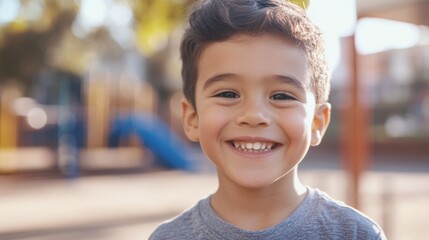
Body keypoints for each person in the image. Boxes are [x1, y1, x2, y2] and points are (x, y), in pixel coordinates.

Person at [150, 0, 387, 239]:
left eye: (281, 96)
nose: (254, 116)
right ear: (192, 119)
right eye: (228, 94)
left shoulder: (356, 234)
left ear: (317, 122)